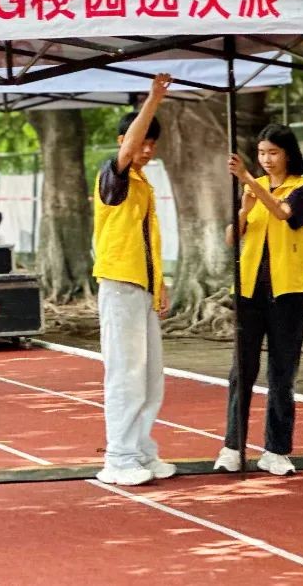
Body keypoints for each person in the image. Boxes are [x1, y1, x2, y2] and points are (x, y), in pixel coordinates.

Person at [214, 124, 303, 476]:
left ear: (288, 154)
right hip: (249, 292)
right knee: (241, 371)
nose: (266, 159)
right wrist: (244, 209)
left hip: (289, 293)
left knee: (282, 373)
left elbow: (285, 214)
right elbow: (232, 238)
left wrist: (247, 178)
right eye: (261, 153)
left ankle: (276, 449)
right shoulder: (251, 190)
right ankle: (232, 446)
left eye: (273, 153)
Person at [92, 74, 176, 486]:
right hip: (119, 285)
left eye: (152, 144)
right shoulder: (114, 177)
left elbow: (148, 241)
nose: (146, 149)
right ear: (123, 141)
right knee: (125, 374)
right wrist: (154, 99)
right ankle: (119, 457)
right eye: (141, 142)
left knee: (149, 377)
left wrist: (160, 284)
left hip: (141, 288)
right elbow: (126, 151)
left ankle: (141, 450)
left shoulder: (144, 184)